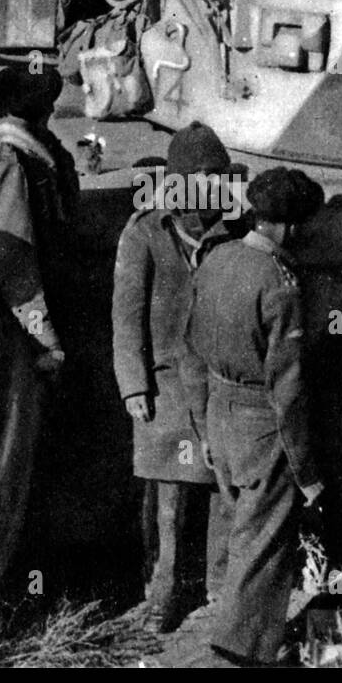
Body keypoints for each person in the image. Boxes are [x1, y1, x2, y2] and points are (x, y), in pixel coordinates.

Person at [179, 166, 325, 665]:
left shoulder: (216, 259)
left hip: (220, 412)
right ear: (287, 227)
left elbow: (190, 349)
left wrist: (202, 427)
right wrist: (308, 473)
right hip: (262, 424)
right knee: (264, 541)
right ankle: (239, 652)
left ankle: (225, 626)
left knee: (239, 524)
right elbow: (289, 389)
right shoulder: (279, 282)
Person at [0, 63, 78, 617]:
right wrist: (45, 336)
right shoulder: (9, 160)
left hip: (6, 317)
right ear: (39, 108)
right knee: (6, 456)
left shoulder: (21, 149)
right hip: (7, 326)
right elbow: (10, 253)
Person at [111, 123, 244, 631]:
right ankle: (164, 594)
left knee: (221, 492)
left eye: (219, 179)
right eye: (202, 179)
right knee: (168, 499)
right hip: (164, 388)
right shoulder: (144, 231)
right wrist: (134, 385)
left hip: (217, 387)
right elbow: (126, 315)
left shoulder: (234, 232)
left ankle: (218, 588)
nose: (213, 190)